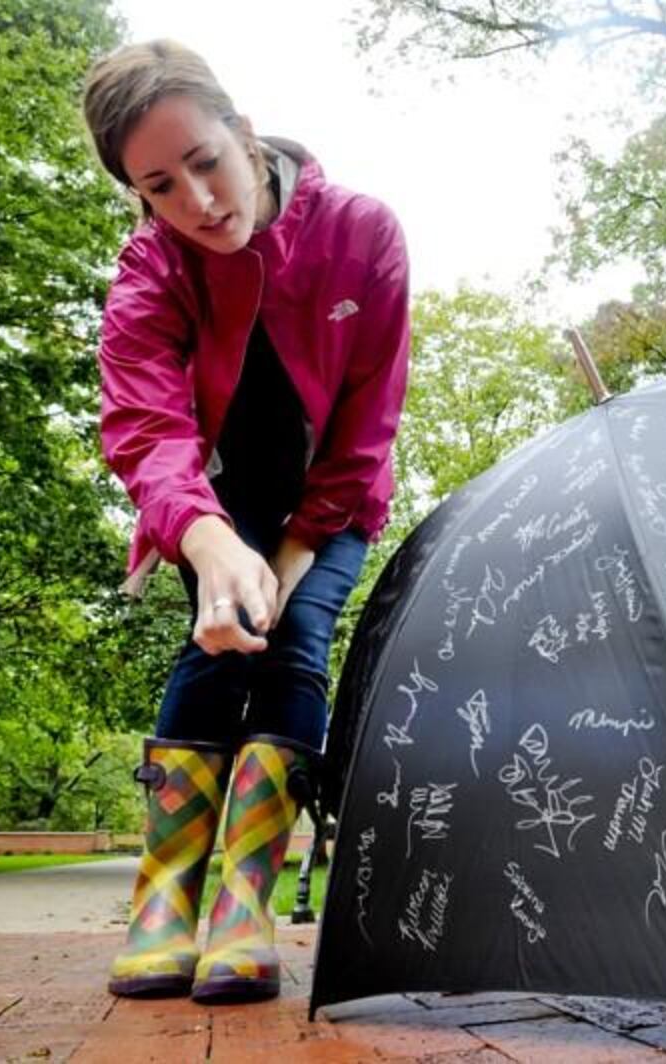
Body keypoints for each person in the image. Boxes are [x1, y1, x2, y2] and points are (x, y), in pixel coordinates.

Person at [82, 40, 410, 999]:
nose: (198, 202)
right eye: (158, 185)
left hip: (331, 505)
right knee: (215, 650)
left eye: (205, 162)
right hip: (213, 510)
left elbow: (365, 426)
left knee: (293, 641)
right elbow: (144, 424)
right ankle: (165, 902)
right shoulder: (151, 267)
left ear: (245, 133)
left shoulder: (362, 231)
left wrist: (293, 555)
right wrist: (209, 538)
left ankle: (243, 907)